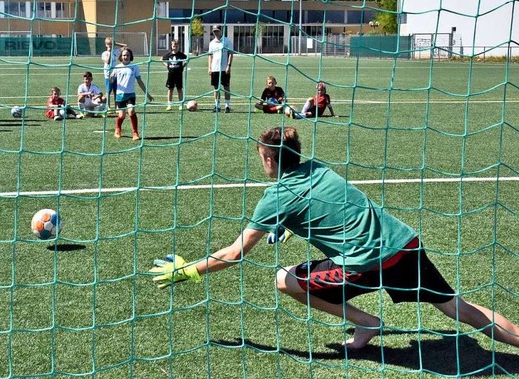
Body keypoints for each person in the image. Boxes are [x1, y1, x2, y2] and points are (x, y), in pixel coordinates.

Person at [150, 126, 519, 350]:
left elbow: (235, 252)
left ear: (268, 160)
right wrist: (287, 224)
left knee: (284, 280)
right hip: (404, 243)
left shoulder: (274, 197)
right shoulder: (317, 168)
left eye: (262, 156)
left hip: (363, 263)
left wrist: (189, 271)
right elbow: (324, 205)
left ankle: (368, 322)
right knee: (460, 309)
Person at [110, 47, 154, 140]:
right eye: (124, 55)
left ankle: (135, 133)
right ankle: (118, 129)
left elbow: (140, 81)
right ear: (121, 57)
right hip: (120, 95)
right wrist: (111, 77)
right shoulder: (117, 67)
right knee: (122, 115)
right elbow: (111, 80)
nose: (126, 57)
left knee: (131, 111)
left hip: (131, 94)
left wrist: (147, 94)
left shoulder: (134, 67)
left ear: (131, 56)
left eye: (127, 55)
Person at [208, 25, 233, 113]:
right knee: (216, 88)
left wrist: (228, 66)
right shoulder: (211, 43)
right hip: (215, 69)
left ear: (221, 31)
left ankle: (227, 106)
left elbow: (230, 54)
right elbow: (210, 56)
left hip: (224, 69)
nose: (215, 33)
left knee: (226, 87)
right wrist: (210, 68)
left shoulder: (227, 41)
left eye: (217, 31)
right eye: (214, 31)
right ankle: (217, 105)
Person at [161, 39, 188, 111]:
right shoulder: (169, 54)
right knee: (170, 89)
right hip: (171, 74)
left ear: (178, 46)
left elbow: (187, 59)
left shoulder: (181, 55)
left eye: (176, 45)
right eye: (173, 45)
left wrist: (184, 66)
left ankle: (181, 104)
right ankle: (169, 104)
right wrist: (166, 65)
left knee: (179, 89)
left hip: (179, 74)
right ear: (171, 46)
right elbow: (162, 59)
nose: (175, 47)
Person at [101, 36, 127, 112]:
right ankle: (108, 106)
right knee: (108, 91)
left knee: (116, 91)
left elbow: (125, 46)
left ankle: (117, 107)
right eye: (108, 44)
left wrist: (116, 43)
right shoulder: (104, 53)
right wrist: (109, 52)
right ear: (106, 45)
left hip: (115, 74)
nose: (110, 46)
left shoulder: (116, 51)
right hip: (108, 75)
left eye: (111, 44)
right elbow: (108, 62)